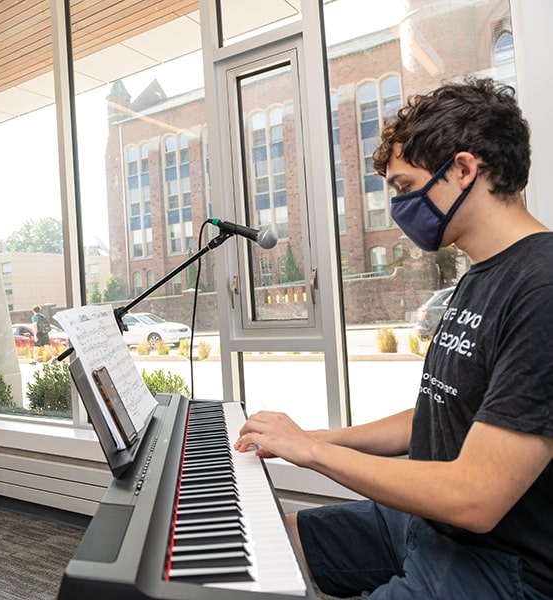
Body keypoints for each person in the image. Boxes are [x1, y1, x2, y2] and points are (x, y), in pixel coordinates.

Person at [235, 77, 553, 599]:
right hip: (427, 527)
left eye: (405, 188)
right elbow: (440, 412)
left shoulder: (541, 285)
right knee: (265, 542)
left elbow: (476, 497)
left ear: (464, 169)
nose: (399, 207)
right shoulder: (480, 274)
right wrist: (313, 438)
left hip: (500, 565)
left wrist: (313, 456)